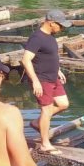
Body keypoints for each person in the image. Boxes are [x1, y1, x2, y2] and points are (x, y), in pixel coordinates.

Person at [22, 9, 72, 156]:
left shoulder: (51, 37)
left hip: (53, 77)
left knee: (63, 104)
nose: (62, 29)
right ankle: (45, 144)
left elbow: (51, 57)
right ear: (51, 23)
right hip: (42, 79)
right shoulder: (37, 37)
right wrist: (35, 81)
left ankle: (38, 123)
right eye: (60, 26)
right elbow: (26, 59)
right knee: (46, 110)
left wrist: (58, 71)